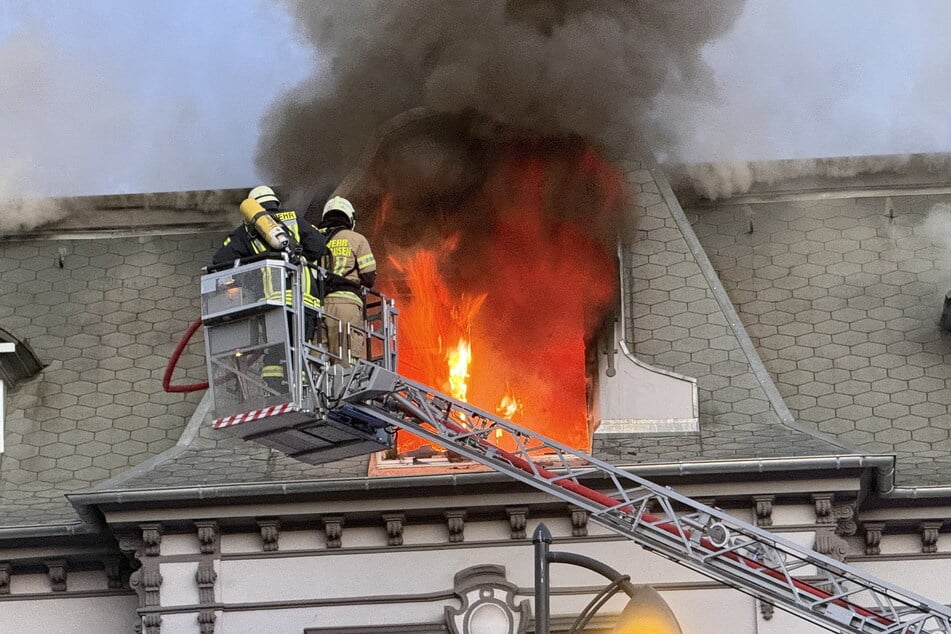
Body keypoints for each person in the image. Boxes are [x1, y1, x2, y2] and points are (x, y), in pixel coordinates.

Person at [213, 185, 328, 390]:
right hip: (305, 301)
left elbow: (220, 261)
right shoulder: (294, 220)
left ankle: (276, 391)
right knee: (301, 347)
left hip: (272, 305)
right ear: (275, 203)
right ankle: (302, 389)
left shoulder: (247, 230)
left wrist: (247, 272)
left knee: (276, 351)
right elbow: (318, 247)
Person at [317, 195, 377, 366]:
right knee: (345, 364)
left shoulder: (315, 239)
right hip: (346, 304)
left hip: (317, 307)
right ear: (350, 219)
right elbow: (369, 277)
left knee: (318, 364)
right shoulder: (357, 239)